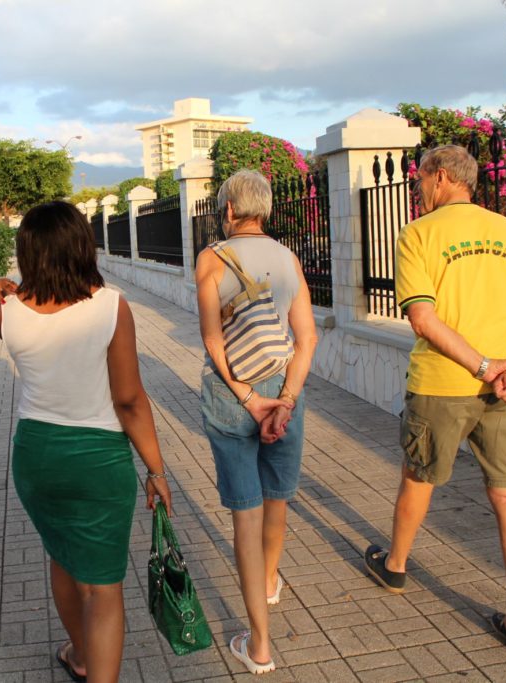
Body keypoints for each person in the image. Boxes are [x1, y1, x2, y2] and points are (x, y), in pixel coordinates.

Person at [362, 145, 506, 660]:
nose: (415, 190)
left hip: (446, 383)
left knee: (419, 474)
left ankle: (397, 565)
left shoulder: (420, 235)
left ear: (441, 178)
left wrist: (484, 367)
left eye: (419, 180)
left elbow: (423, 319)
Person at [0, 201, 171, 683]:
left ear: (28, 251)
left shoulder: (8, 311)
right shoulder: (110, 306)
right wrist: (156, 469)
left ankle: (83, 657)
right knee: (103, 589)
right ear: (83, 245)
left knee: (63, 556)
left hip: (36, 454)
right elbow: (129, 400)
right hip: (97, 458)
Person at [195, 169, 317, 675]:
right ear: (265, 209)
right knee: (277, 498)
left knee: (245, 513)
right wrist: (284, 400)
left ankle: (260, 647)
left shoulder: (212, 258)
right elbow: (307, 339)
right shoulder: (288, 259)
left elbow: (211, 339)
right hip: (286, 391)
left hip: (233, 395)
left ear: (228, 210)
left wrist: (247, 398)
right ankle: (269, 583)